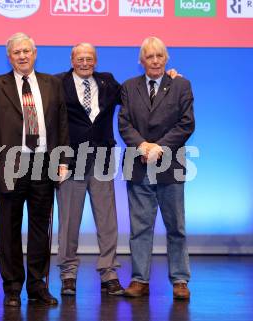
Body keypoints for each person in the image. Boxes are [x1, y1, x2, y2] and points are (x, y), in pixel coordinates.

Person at [0, 32, 69, 307]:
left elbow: (61, 124)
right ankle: (13, 288)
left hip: (44, 162)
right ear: (9, 56)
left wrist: (63, 160)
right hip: (9, 164)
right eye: (17, 52)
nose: (22, 56)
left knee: (42, 228)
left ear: (35, 52)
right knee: (9, 228)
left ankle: (38, 286)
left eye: (26, 51)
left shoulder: (53, 84)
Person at [118, 36, 195, 300]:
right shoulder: (129, 87)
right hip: (138, 166)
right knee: (140, 228)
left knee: (176, 228)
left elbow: (186, 124)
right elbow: (124, 123)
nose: (154, 61)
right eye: (149, 56)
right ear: (141, 61)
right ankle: (140, 280)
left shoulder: (181, 84)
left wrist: (159, 147)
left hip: (170, 165)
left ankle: (180, 280)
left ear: (167, 59)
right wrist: (142, 146)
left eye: (159, 56)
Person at [54, 43, 124, 296]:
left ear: (96, 61)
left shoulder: (107, 81)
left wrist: (168, 77)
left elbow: (135, 93)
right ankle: (68, 273)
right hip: (71, 159)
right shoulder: (57, 82)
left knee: (107, 219)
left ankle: (109, 272)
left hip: (102, 157)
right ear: (72, 60)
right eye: (80, 58)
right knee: (69, 219)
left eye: (90, 58)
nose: (85, 62)